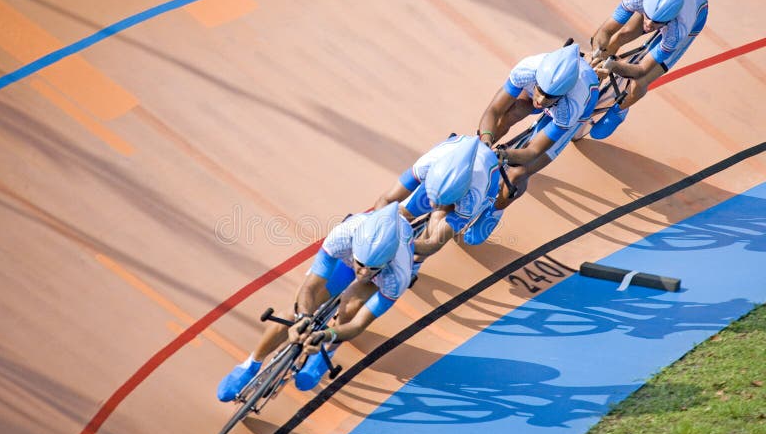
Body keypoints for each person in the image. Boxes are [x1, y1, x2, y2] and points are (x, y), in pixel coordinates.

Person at [217, 201, 414, 399]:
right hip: (345, 260)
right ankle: (251, 363)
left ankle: (327, 353)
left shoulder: (398, 276)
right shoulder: (343, 236)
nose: (362, 273)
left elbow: (358, 324)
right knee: (293, 313)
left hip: (379, 279)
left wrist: (327, 335)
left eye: (371, 268)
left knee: (351, 308)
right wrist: (303, 316)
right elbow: (310, 287)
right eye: (361, 264)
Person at [588, 0, 708, 138]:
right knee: (619, 36)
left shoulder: (677, 30)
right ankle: (592, 82)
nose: (649, 25)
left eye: (656, 22)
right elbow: (606, 31)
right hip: (658, 6)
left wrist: (614, 66)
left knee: (641, 81)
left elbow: (643, 70)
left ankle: (618, 111)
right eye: (647, 17)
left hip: (696, 15)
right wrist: (598, 53)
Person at [374, 134, 512, 266]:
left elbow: (434, 243)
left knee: (443, 222)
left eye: (439, 201)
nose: (433, 205)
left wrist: (403, 247)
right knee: (402, 213)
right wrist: (380, 228)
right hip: (453, 161)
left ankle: (416, 263)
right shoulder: (425, 165)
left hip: (486, 180)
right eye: (433, 197)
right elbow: (387, 199)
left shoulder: (471, 199)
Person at [477, 43, 599, 187]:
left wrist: (504, 157)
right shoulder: (526, 70)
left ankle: (496, 210)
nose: (541, 100)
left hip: (572, 109)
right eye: (540, 91)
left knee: (518, 174)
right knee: (507, 115)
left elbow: (533, 151)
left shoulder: (570, 108)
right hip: (545, 96)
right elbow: (494, 111)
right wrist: (485, 142)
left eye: (549, 96)